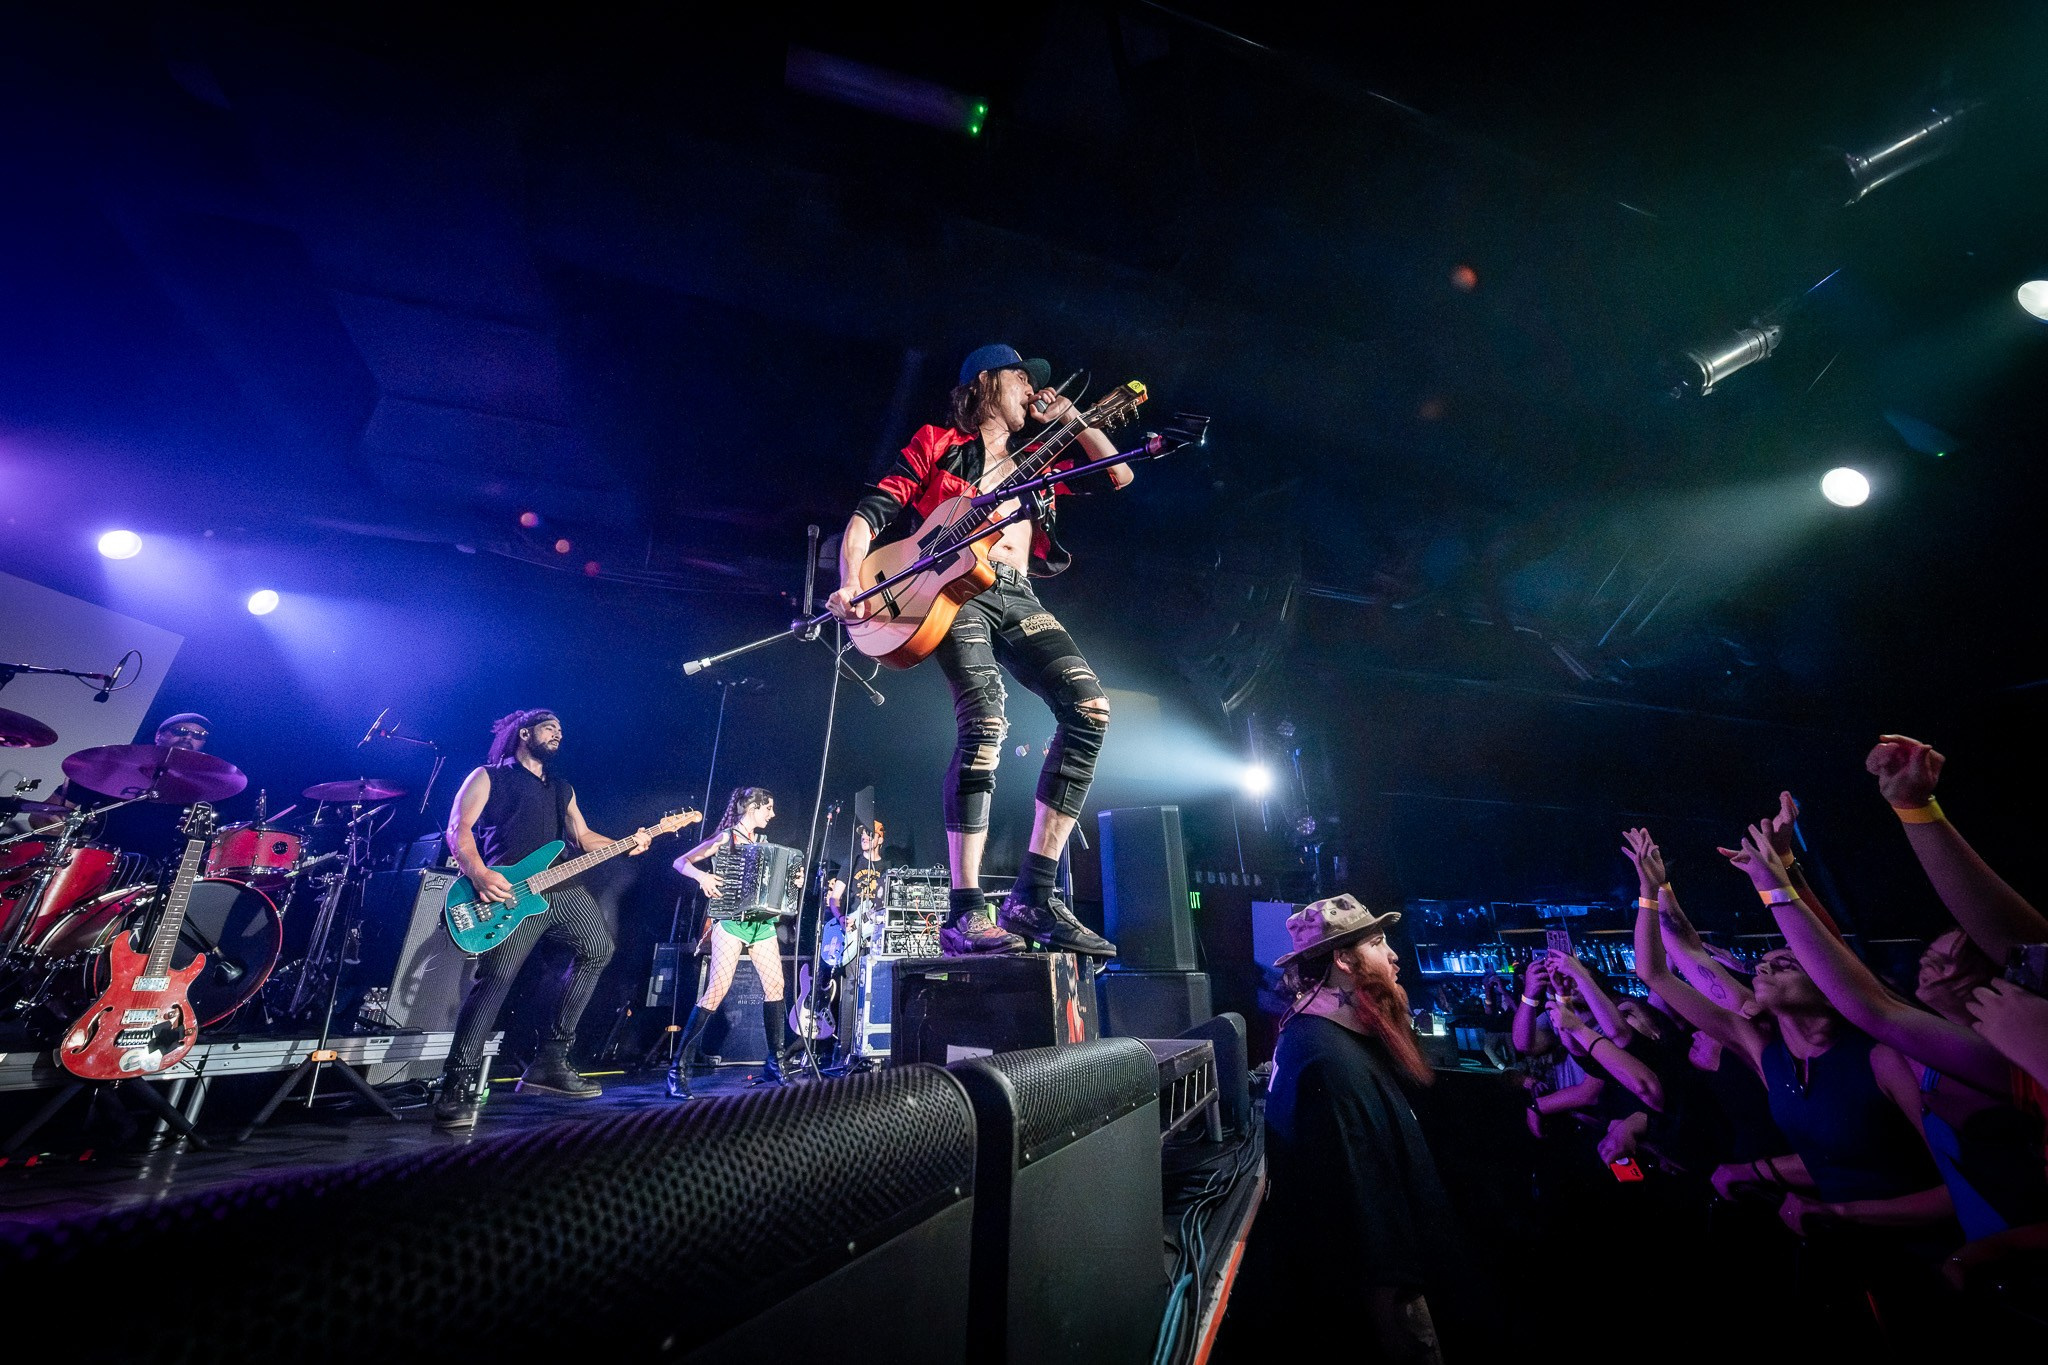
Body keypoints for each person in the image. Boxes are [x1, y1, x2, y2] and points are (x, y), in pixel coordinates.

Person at [826, 343, 1133, 959]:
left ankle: (1033, 896)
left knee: (1091, 709)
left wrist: (1076, 420)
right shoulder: (938, 442)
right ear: (989, 382)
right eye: (1023, 378)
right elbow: (870, 514)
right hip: (952, 591)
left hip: (1017, 593)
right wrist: (853, 582)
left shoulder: (1040, 457)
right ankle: (965, 913)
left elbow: (1119, 474)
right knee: (986, 723)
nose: (1031, 389)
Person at [1625, 827, 1948, 1236]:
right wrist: (1652, 889)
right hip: (1843, 1245)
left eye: (1786, 963)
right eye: (1764, 961)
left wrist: (1845, 1213)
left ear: (1829, 985)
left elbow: (1960, 1184)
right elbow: (1658, 969)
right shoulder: (1766, 1052)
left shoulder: (1880, 1057)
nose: (1763, 967)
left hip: (1927, 1249)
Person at [1237, 894, 1458, 1363]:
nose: (1394, 956)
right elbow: (1363, 1230)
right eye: (1378, 943)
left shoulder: (1329, 1043)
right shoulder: (1326, 1065)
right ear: (1341, 958)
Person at [432, 709, 647, 1129]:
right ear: (525, 732)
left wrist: (630, 842)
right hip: (511, 893)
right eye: (551, 727)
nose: (558, 735)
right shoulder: (489, 776)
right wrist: (478, 872)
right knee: (495, 981)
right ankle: (455, 1084)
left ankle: (550, 1059)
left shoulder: (561, 788)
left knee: (599, 948)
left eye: (562, 731)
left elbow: (583, 838)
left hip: (563, 888)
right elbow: (460, 828)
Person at [665, 787, 795, 1097]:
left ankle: (774, 1062)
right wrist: (704, 878)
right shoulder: (726, 838)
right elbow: (680, 862)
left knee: (775, 987)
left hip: (761, 924)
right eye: (769, 808)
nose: (772, 815)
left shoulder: (761, 844)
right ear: (753, 807)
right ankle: (677, 1070)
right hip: (731, 923)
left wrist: (794, 881)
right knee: (717, 989)